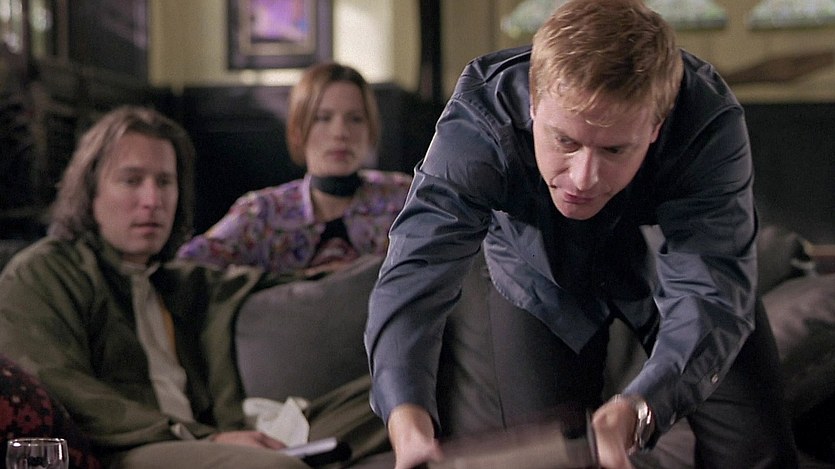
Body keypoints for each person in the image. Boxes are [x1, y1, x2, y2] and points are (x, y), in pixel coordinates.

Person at [364, 1, 798, 468]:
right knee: (555, 460)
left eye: (614, 149)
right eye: (565, 141)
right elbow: (415, 274)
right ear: (533, 104)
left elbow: (710, 291)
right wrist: (406, 420)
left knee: (756, 452)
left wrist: (640, 407)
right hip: (536, 271)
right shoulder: (480, 122)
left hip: (672, 263)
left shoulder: (708, 120)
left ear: (656, 125)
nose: (583, 178)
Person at [0, 106, 386, 468]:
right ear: (91, 191)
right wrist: (204, 437)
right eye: (132, 180)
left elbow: (281, 281)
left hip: (218, 435)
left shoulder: (180, 281)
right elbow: (61, 389)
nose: (152, 200)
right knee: (275, 467)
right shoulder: (43, 272)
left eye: (164, 182)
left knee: (396, 397)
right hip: (131, 450)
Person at [177, 62, 412, 278]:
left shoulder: (404, 199)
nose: (341, 132)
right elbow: (185, 265)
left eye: (355, 119)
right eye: (323, 118)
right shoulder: (264, 213)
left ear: (371, 130)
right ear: (299, 130)